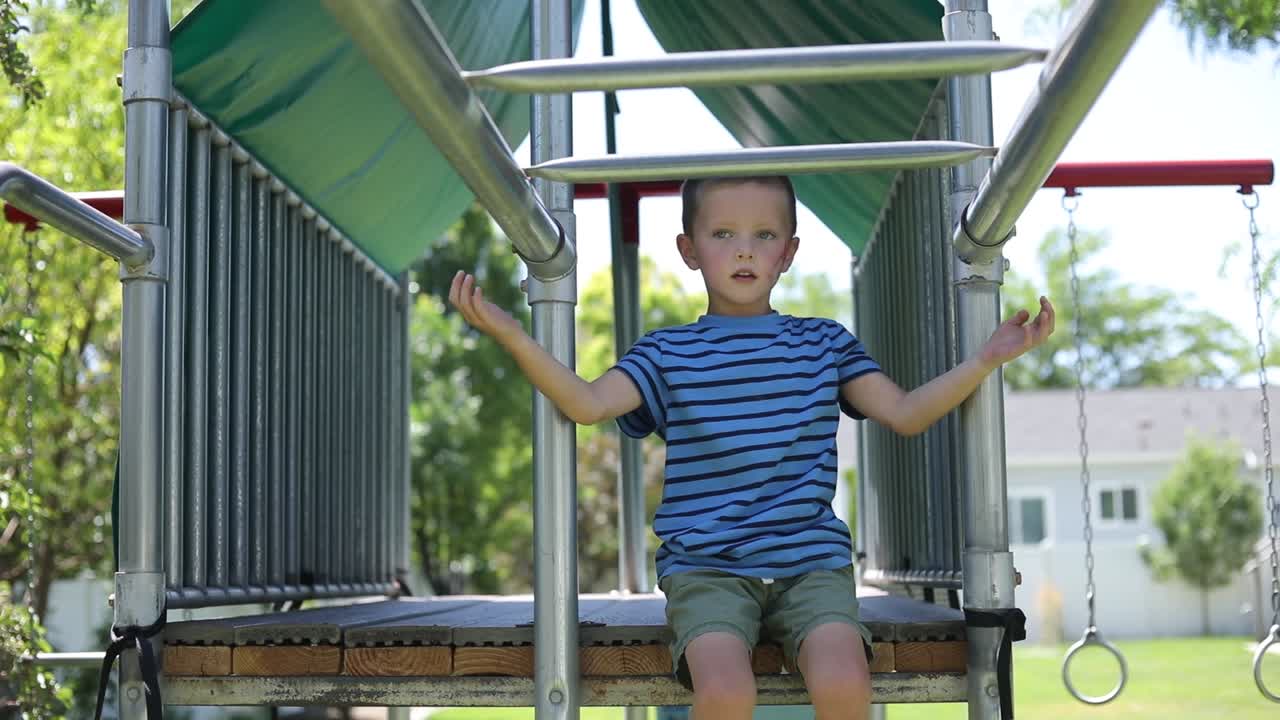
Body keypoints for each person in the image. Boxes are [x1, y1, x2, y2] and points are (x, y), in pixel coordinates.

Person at [448, 175, 1054, 720]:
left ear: (788, 252)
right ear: (689, 249)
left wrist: (985, 359)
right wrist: (512, 334)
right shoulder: (667, 353)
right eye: (723, 233)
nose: (744, 249)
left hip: (809, 563)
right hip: (707, 568)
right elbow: (584, 403)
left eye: (764, 235)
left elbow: (904, 413)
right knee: (726, 693)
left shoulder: (823, 344)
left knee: (846, 682)